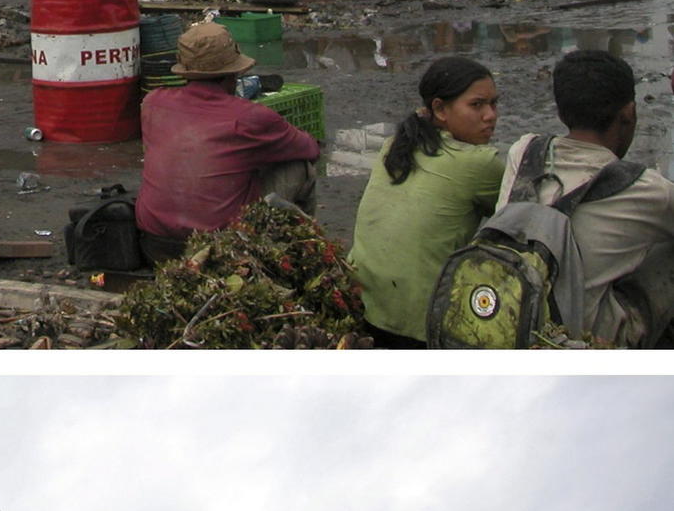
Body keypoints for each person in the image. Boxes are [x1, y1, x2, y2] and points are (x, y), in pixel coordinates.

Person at [495, 49, 674, 345]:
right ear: (628, 113)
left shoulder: (523, 151)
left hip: (513, 316)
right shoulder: (647, 189)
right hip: (581, 340)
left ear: (561, 111)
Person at [134, 21, 321, 263]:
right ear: (233, 74)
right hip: (218, 250)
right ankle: (302, 251)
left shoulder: (152, 102)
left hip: (154, 243)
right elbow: (310, 148)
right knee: (299, 165)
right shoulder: (248, 117)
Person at [349, 57, 504, 344]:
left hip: (362, 304)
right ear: (440, 109)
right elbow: (518, 219)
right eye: (477, 105)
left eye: (494, 104)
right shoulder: (480, 164)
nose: (490, 115)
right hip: (419, 326)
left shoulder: (395, 144)